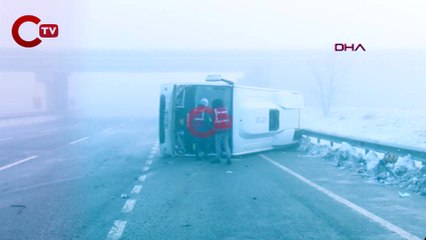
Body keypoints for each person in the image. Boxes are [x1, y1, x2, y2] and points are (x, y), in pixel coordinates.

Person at [212, 99, 232, 164]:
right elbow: (230, 118)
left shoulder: (215, 111)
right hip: (226, 129)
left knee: (218, 145)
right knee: (226, 144)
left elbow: (212, 120)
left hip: (218, 130)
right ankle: (228, 157)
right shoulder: (226, 110)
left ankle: (218, 158)